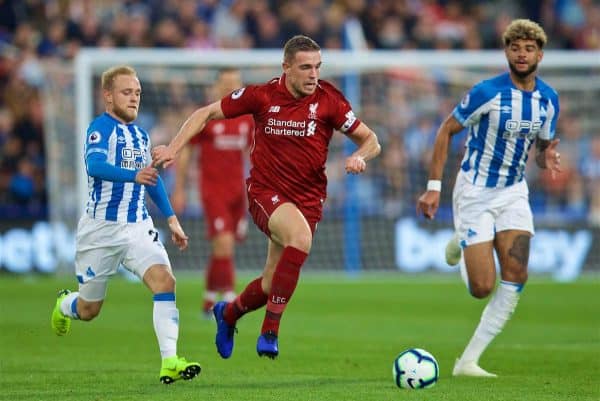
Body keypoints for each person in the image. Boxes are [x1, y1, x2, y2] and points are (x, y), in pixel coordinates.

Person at [153, 35, 381, 359]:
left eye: (317, 67)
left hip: (308, 199)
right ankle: (269, 331)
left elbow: (371, 139)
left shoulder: (330, 100)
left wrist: (361, 156)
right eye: (305, 67)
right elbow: (205, 113)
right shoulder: (260, 96)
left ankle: (228, 314)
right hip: (265, 193)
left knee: (271, 282)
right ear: (286, 67)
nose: (313, 75)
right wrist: (174, 149)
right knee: (300, 238)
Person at [416, 19, 561, 377]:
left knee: (517, 272)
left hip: (513, 192)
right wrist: (434, 188)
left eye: (528, 48)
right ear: (507, 52)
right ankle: (460, 242)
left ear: (539, 54)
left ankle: (468, 361)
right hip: (476, 191)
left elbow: (540, 149)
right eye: (515, 48)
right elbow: (446, 129)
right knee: (482, 288)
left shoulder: (548, 100)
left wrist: (548, 158)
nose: (522, 54)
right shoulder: (487, 92)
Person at [50, 65, 201, 384]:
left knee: (165, 281)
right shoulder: (99, 128)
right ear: (108, 96)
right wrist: (133, 175)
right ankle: (65, 304)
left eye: (137, 93)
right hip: (100, 231)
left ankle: (170, 360)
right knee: (90, 309)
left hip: (137, 226)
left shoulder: (140, 134)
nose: (134, 99)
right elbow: (95, 165)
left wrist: (171, 218)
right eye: (126, 92)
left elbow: (151, 179)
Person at [172, 68, 254, 318]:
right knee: (224, 244)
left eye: (235, 85)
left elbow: (254, 153)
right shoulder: (206, 116)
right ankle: (229, 300)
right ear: (217, 87)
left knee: (222, 248)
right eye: (226, 85)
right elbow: (186, 151)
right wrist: (179, 188)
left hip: (237, 192)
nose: (231, 89)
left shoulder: (247, 119)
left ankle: (208, 300)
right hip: (212, 190)